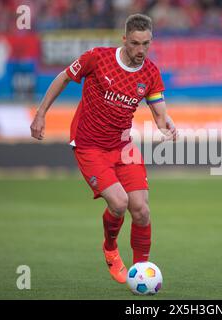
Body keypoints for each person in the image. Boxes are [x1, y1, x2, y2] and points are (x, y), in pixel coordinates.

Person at [30, 14, 177, 284]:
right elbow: (63, 78)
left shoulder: (151, 73)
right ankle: (110, 248)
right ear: (124, 39)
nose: (140, 50)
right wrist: (41, 114)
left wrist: (167, 124)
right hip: (90, 146)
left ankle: (140, 272)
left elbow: (159, 113)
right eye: (135, 43)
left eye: (145, 43)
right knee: (120, 203)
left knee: (141, 210)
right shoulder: (97, 58)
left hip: (122, 145)